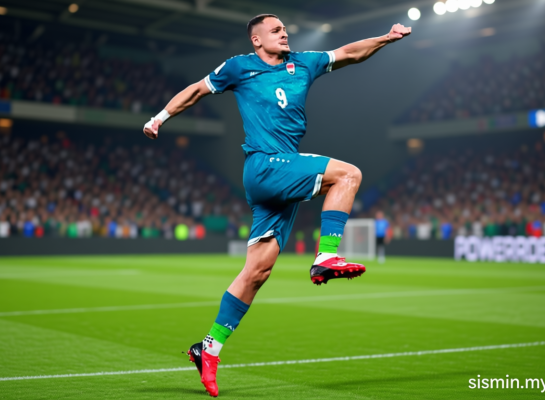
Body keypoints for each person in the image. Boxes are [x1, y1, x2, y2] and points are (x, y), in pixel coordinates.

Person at [143, 14, 411, 397]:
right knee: (348, 175)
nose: (284, 33)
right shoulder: (239, 67)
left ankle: (208, 348)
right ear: (256, 40)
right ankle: (327, 256)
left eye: (285, 29)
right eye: (275, 30)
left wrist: (385, 38)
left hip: (279, 176)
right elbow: (196, 90)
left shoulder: (303, 63)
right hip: (265, 165)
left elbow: (350, 53)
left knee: (257, 272)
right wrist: (159, 118)